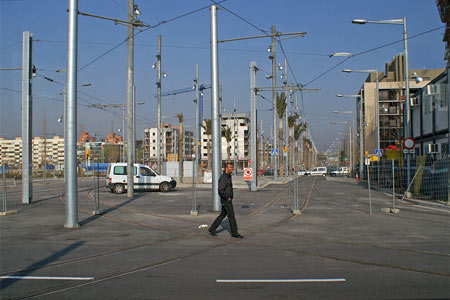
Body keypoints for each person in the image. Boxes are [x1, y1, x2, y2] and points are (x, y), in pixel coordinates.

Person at [208, 163, 243, 238]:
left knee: (222, 215)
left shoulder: (228, 176)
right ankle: (235, 233)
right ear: (226, 168)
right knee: (231, 216)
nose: (232, 168)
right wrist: (227, 197)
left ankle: (212, 228)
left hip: (227, 199)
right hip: (226, 200)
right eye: (230, 167)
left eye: (232, 167)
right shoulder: (223, 178)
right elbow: (220, 190)